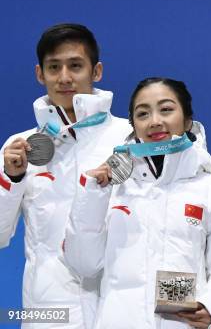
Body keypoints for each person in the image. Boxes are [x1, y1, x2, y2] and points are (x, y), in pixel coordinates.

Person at [63, 78, 211, 329]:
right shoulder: (109, 188)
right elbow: (84, 264)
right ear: (133, 127)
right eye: (143, 113)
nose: (155, 121)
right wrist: (92, 195)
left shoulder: (209, 187)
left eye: (166, 109)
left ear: (188, 120)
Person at [0, 23, 131, 328]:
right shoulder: (19, 148)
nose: (64, 78)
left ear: (96, 71)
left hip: (116, 310)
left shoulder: (128, 138)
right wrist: (11, 179)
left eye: (75, 66)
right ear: (39, 74)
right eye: (54, 67)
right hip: (47, 315)